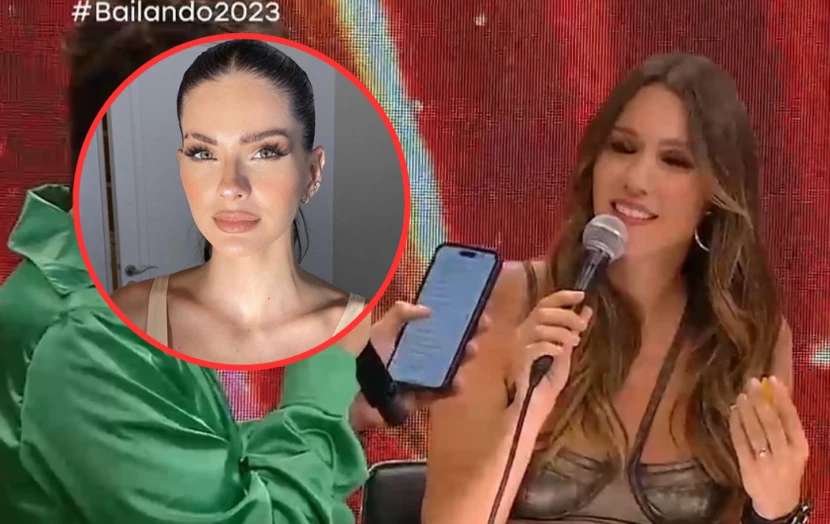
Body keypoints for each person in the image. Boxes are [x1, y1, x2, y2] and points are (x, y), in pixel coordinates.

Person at [0, 6, 481, 523]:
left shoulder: (124, 300)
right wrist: (316, 397)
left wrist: (339, 403)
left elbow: (190, 477)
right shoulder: (88, 341)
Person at [422, 53, 811, 523]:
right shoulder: (497, 300)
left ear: (715, 194)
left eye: (674, 160)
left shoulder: (747, 336)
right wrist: (528, 409)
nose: (636, 179)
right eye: (623, 148)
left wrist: (778, 509)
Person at [112, 39, 363, 365]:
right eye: (204, 153)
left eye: (265, 152)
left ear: (312, 172)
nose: (230, 187)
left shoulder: (369, 333)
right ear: (182, 166)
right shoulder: (125, 317)